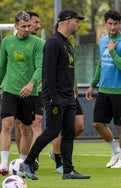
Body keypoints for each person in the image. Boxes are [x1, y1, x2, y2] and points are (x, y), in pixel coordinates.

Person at [23, 9, 90, 180]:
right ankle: (28, 162)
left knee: (69, 132)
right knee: (52, 132)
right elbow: (48, 73)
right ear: (67, 21)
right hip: (55, 97)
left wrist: (71, 95)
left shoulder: (67, 44)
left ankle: (68, 170)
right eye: (77, 20)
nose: (79, 24)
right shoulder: (53, 43)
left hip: (68, 97)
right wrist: (53, 97)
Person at [85, 9, 121, 168]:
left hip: (119, 90)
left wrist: (112, 50)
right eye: (110, 24)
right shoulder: (103, 41)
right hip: (103, 90)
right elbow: (101, 64)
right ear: (106, 24)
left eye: (115, 24)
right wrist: (93, 84)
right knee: (97, 123)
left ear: (119, 24)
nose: (112, 27)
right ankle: (115, 152)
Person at [0, 11, 43, 175]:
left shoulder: (38, 43)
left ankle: (23, 163)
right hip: (10, 90)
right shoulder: (6, 42)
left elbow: (40, 67)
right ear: (16, 26)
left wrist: (31, 84)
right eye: (23, 26)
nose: (26, 29)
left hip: (29, 93)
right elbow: (2, 66)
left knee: (25, 129)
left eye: (28, 26)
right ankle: (3, 164)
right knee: (6, 125)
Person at [49, 33, 85, 174]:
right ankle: (59, 162)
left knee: (79, 125)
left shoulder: (71, 47)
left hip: (72, 94)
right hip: (60, 94)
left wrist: (75, 87)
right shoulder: (54, 45)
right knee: (59, 129)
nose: (72, 36)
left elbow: (72, 71)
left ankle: (58, 151)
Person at [14, 11, 43, 170]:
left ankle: (34, 157)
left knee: (36, 123)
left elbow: (42, 67)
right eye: (35, 22)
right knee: (19, 125)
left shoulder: (39, 43)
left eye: (38, 23)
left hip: (37, 91)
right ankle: (22, 159)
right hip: (17, 90)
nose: (37, 26)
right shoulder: (15, 43)